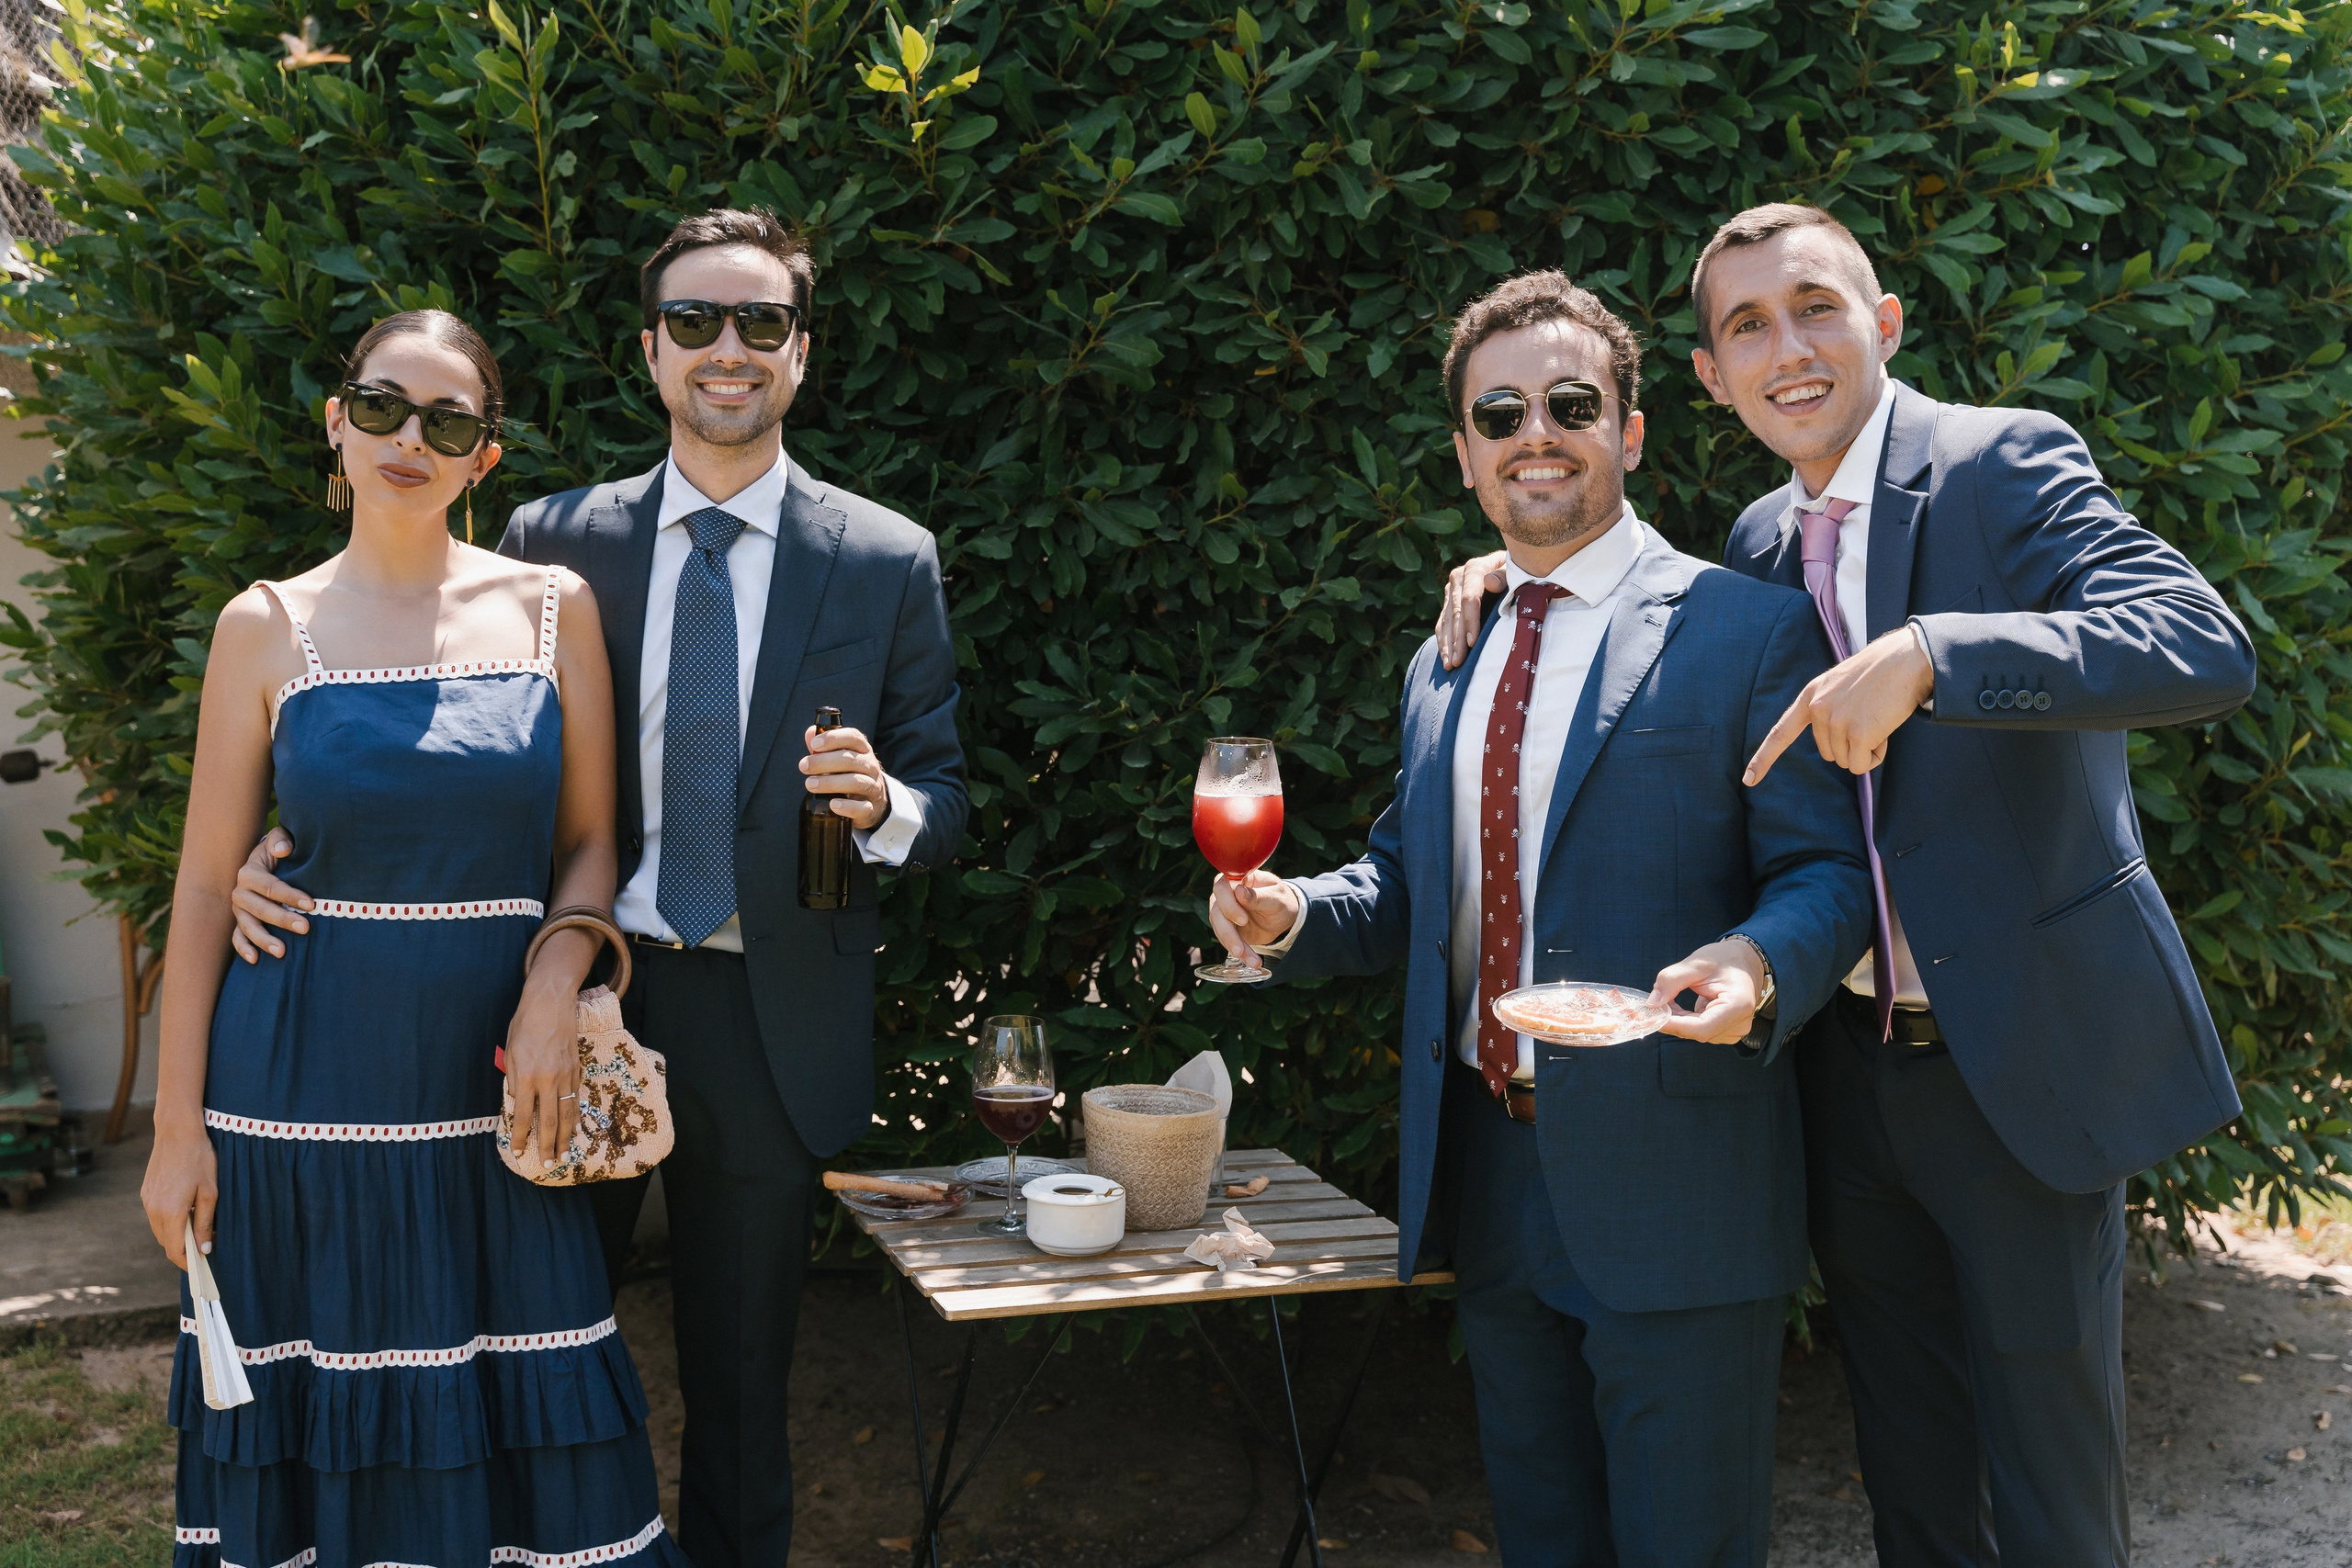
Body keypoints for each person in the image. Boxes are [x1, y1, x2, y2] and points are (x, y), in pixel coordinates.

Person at [1435, 205, 2256, 1566]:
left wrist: (1936, 649)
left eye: (1815, 307)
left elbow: (2195, 642)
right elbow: (1637, 607)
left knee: (2056, 1496)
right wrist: (1504, 574)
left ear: (1883, 323)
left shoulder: (2000, 462)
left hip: (2017, 1068)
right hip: (1847, 1079)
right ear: (1709, 378)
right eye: (1747, 326)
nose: (1788, 348)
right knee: (1913, 1486)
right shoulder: (1762, 541)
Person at [227, 208, 968, 1567]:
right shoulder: (556, 545)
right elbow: (444, 744)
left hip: (765, 1017)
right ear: (651, 350)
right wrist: (274, 855)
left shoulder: (884, 557)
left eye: (759, 325)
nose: (726, 350)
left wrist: (892, 810)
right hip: (547, 1006)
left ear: (800, 354)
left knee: (744, 1388)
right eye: (695, 322)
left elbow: (950, 798)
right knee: (511, 1346)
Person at [1208, 273, 1871, 1566]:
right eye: (1500, 413)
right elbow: (1408, 887)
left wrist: (1757, 963)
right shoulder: (1445, 652)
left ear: (1629, 430)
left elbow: (1831, 876)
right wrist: (1290, 914)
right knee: (1542, 1542)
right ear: (1465, 456)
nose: (1536, 434)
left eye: (1573, 403)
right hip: (1496, 1182)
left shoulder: (1751, 632)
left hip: (1684, 1188)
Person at [140, 310, 686, 1566]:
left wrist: (557, 978)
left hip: (498, 1105)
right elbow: (207, 890)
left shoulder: (555, 608)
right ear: (337, 421)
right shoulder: (262, 625)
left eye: (448, 422)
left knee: (547, 1454)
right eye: (381, 406)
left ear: (483, 457)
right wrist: (177, 1138)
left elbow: (593, 844)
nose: (408, 440)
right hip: (290, 1112)